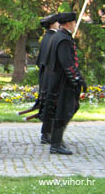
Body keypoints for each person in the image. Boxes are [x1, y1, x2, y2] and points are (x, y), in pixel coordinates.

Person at [41, 12, 87, 155]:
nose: (74, 25)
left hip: (57, 80)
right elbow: (67, 63)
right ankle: (55, 144)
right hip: (62, 83)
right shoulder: (63, 39)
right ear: (68, 23)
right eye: (73, 23)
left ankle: (57, 140)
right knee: (63, 110)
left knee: (65, 109)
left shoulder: (58, 36)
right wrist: (77, 80)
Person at [35, 14, 59, 145]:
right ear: (52, 24)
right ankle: (47, 134)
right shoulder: (54, 37)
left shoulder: (47, 37)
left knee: (48, 105)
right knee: (51, 105)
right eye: (57, 22)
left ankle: (47, 133)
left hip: (46, 76)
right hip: (51, 76)